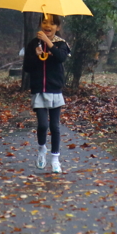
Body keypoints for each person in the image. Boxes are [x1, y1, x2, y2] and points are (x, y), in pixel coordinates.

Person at [22, 14, 70, 173]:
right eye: (44, 22)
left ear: (58, 27)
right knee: (43, 125)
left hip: (55, 90)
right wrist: (36, 56)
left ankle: (55, 158)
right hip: (38, 90)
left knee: (55, 126)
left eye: (52, 23)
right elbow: (27, 67)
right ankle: (42, 150)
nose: (47, 26)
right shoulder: (33, 44)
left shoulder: (61, 44)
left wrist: (49, 43)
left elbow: (61, 57)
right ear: (40, 24)